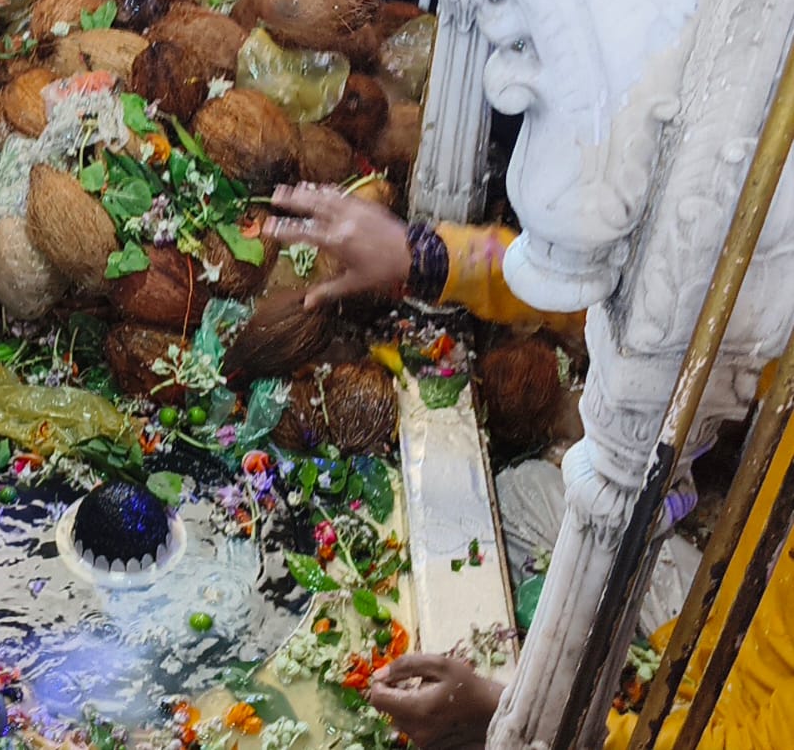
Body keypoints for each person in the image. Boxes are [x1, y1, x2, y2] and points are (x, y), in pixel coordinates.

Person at [265, 184, 794, 749]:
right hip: (736, 621)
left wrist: (516, 720)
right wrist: (426, 257)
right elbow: (670, 312)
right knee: (523, 498)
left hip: (726, 712)